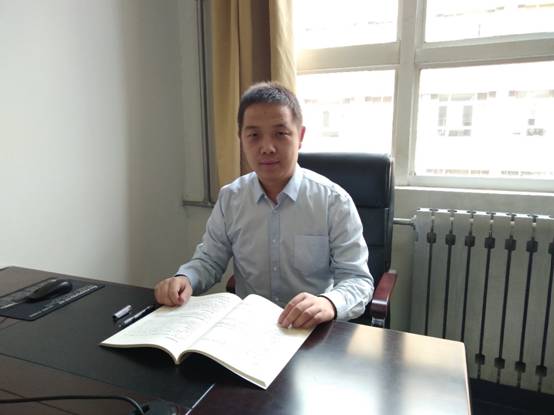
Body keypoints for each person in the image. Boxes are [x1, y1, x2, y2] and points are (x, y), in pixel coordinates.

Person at [154, 81, 373, 329]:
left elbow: (357, 280)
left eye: (280, 134)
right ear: (241, 139)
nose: (267, 148)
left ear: (300, 136)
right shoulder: (231, 198)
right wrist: (185, 278)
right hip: (249, 329)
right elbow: (210, 260)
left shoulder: (333, 202)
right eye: (254, 135)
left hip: (311, 331)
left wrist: (329, 303)